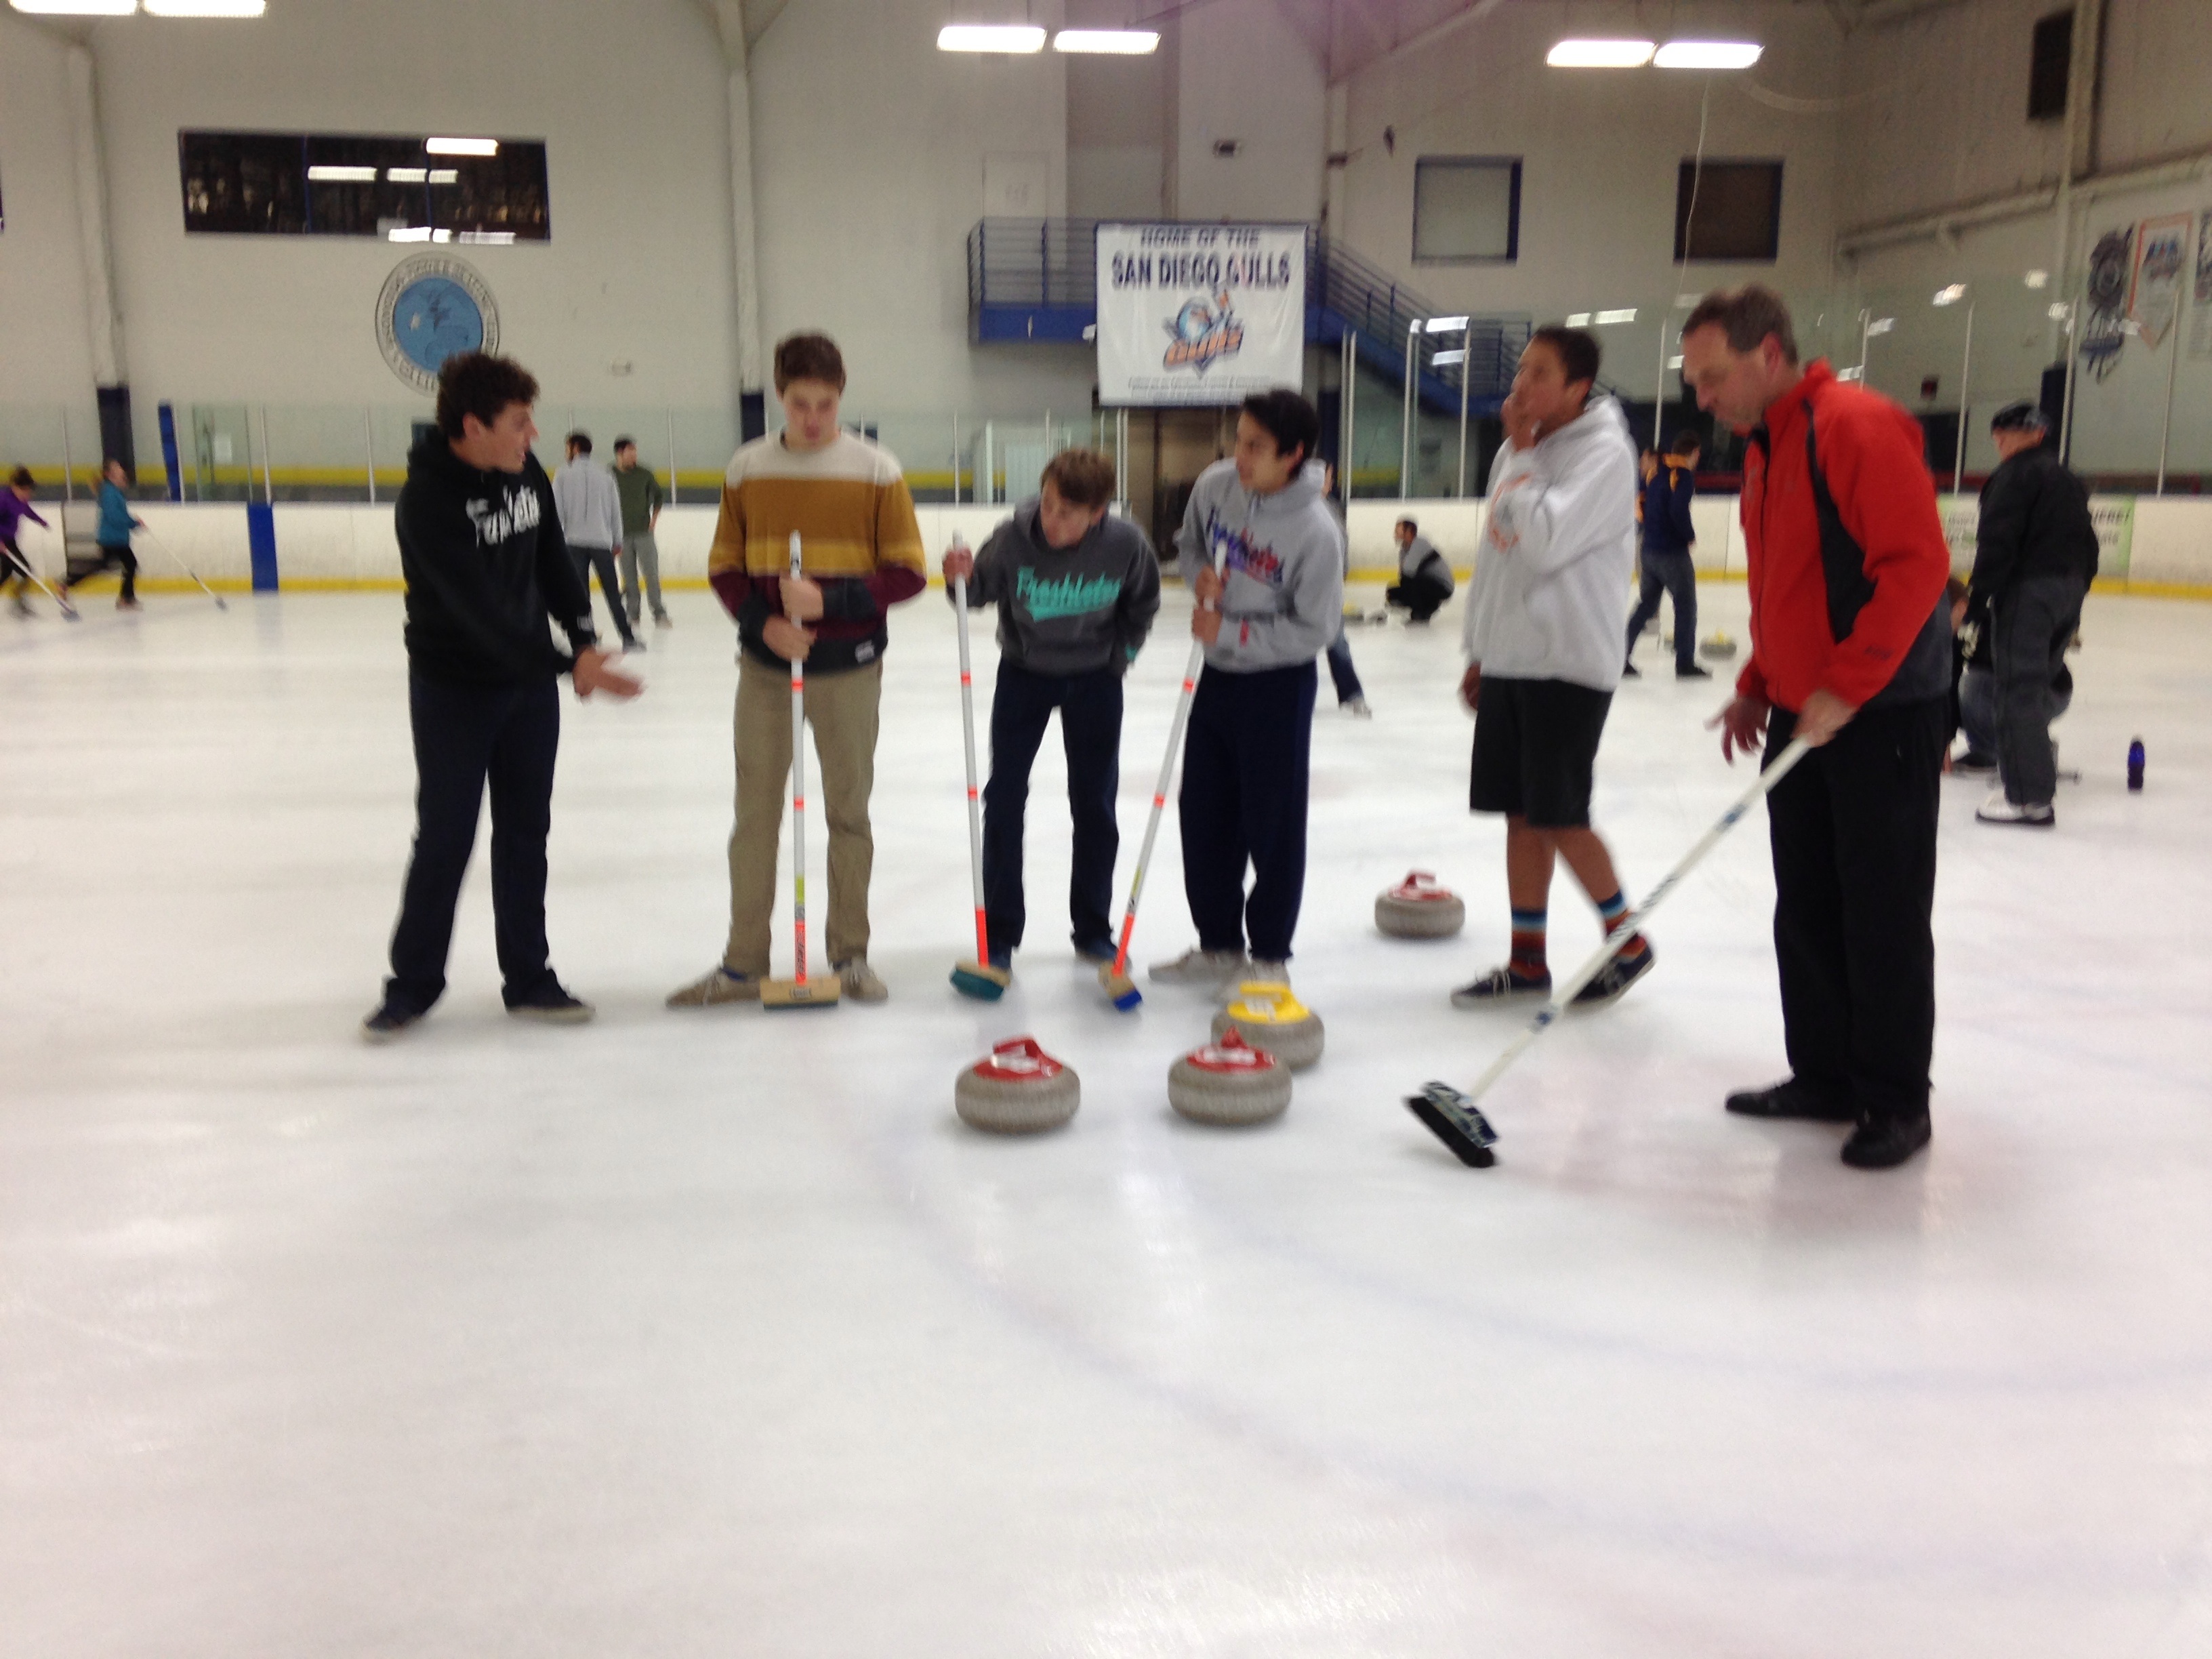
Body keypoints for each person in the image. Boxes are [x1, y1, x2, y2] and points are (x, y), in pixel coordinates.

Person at [1685, 283, 1952, 1171]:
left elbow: (1916, 566)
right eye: (1695, 382)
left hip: (1881, 712)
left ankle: (1895, 1099)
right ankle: (1827, 1075)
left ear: (1769, 355)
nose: (1702, 399)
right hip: (1806, 713)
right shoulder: (1768, 446)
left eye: (1713, 377)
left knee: (1881, 911)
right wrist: (1759, 683)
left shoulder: (1853, 425)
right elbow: (1790, 587)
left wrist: (1849, 683)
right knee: (1808, 904)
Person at [363, 352, 641, 1042]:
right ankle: (413, 985)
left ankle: (529, 978)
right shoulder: (426, 503)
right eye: (519, 422)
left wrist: (582, 637)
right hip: (454, 691)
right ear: (472, 427)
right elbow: (480, 615)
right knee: (446, 835)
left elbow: (551, 558)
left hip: (526, 691)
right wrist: (571, 666)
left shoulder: (526, 474)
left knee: (525, 832)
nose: (533, 435)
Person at [667, 331, 926, 1008]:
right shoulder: (747, 468)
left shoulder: (877, 470)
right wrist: (766, 624)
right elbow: (724, 568)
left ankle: (850, 955)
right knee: (754, 818)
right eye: (801, 404)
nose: (814, 419)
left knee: (849, 815)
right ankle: (742, 963)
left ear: (841, 397)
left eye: (826, 405)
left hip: (849, 672)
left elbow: (907, 572)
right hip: (765, 672)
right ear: (780, 396)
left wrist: (830, 603)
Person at [1452, 326, 1652, 1010]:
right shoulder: (1520, 448)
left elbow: (1543, 541)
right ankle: (1527, 961)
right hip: (1513, 661)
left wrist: (1527, 455)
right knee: (1520, 816)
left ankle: (1627, 940)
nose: (1521, 384)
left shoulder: (1604, 456)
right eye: (1521, 370)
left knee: (1560, 814)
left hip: (1567, 663)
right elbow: (1498, 558)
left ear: (1577, 388)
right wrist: (1481, 649)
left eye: (1540, 373)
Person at [1149, 390, 1343, 992]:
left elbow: (1316, 628)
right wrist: (1198, 576)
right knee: (1205, 814)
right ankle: (1218, 945)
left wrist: (1232, 630)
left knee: (1272, 822)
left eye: (1256, 446)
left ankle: (1270, 956)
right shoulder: (1216, 487)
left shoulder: (1317, 532)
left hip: (1277, 686)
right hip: (1217, 679)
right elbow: (1189, 546)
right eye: (1239, 439)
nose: (1240, 455)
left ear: (1294, 455)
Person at [941, 448, 1161, 970]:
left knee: (1095, 804)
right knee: (1004, 798)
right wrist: (959, 578)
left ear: (1097, 514)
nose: (1052, 520)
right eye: (1048, 505)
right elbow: (976, 593)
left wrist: (1120, 659)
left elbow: (1143, 604)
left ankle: (1093, 928)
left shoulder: (1126, 544)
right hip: (1025, 675)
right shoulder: (1013, 538)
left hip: (1095, 680)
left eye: (1068, 513)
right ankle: (999, 932)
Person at [1967, 400, 2099, 827]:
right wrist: (2075, 593)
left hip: (2029, 592)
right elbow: (2090, 546)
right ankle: (2031, 769)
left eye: (2002, 435)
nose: (1999, 443)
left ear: (2020, 435)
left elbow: (1997, 542)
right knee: (2035, 684)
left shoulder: (2012, 477)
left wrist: (1977, 602)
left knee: (2016, 689)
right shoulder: (2067, 480)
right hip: (2067, 591)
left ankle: (2029, 798)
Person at [1622, 432, 1708, 678]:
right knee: (1686, 605)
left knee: (1646, 605)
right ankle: (1685, 663)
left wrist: (1651, 529)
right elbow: (1678, 509)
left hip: (1648, 550)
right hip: (1672, 553)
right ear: (1695, 453)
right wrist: (1688, 535)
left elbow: (1641, 503)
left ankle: (1620, 657)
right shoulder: (1682, 475)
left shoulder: (1655, 472)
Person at [552, 432, 638, 653]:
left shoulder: (563, 474)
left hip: (574, 543)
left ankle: (587, 637)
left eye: (567, 447)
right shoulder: (606, 474)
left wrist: (556, 542)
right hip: (602, 542)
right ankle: (628, 637)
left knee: (580, 595)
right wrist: (617, 541)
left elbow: (556, 513)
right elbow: (615, 511)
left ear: (575, 448)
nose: (566, 452)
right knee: (613, 593)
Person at [1319, 462, 1371, 718]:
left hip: (1327, 589)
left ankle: (1351, 694)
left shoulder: (1331, 509)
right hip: (1299, 587)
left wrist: (1340, 575)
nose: (1329, 484)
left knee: (1336, 640)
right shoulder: (1295, 509)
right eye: (1326, 478)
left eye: (1330, 478)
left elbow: (1341, 546)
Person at [60, 459, 143, 612]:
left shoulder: (113, 491)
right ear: (110, 474)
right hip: (113, 539)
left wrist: (134, 523)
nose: (121, 470)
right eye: (117, 468)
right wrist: (133, 523)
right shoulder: (110, 492)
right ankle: (126, 598)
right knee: (127, 565)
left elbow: (120, 514)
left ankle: (68, 583)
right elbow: (114, 516)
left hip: (117, 538)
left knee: (113, 565)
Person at [612, 437, 671, 633]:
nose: (634, 457)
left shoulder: (644, 474)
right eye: (630, 453)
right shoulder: (609, 475)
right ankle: (633, 613)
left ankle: (659, 612)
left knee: (651, 574)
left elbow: (659, 496)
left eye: (635, 453)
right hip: (621, 535)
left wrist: (654, 520)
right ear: (619, 454)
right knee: (629, 577)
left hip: (644, 533)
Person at [2, 467, 57, 618]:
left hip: (10, 541)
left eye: (29, 491)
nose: (28, 494)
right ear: (15, 487)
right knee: (25, 570)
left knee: (6, 574)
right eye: (25, 491)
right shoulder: (3, 499)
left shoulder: (21, 500)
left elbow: (27, 510)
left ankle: (18, 603)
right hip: (3, 542)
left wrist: (40, 521)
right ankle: (18, 604)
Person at [1384, 515, 1454, 622]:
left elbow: (1408, 571)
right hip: (1427, 583)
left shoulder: (1420, 543)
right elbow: (1403, 577)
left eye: (1398, 530)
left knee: (1412, 584)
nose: (1395, 534)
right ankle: (1422, 607)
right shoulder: (1404, 550)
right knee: (1393, 592)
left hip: (1442, 586)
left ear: (1408, 531)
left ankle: (1424, 610)